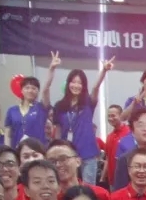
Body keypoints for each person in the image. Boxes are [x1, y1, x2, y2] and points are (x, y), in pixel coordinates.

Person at [47, 53, 113, 184]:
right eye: (73, 82)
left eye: (79, 83)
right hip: (67, 154)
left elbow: (95, 87)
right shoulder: (60, 105)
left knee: (88, 188)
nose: (76, 85)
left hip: (88, 152)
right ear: (68, 84)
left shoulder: (88, 102)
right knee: (68, 186)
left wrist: (104, 71)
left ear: (83, 86)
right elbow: (58, 131)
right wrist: (56, 151)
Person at [46, 139, 111, 200]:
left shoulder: (99, 195)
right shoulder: (47, 199)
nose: (58, 165)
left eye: (63, 159)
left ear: (78, 161)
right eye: (52, 161)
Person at [5, 76, 51, 148]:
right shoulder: (12, 110)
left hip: (38, 149)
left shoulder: (42, 107)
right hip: (17, 150)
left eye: (34, 88)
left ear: (38, 91)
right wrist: (7, 150)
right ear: (21, 90)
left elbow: (46, 90)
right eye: (27, 88)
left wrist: (51, 72)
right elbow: (8, 134)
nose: (30, 90)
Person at [100, 104, 130, 185]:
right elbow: (108, 159)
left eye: (113, 116)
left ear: (121, 115)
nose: (110, 118)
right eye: (109, 116)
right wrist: (102, 178)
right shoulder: (109, 136)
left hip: (126, 180)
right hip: (112, 181)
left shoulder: (128, 133)